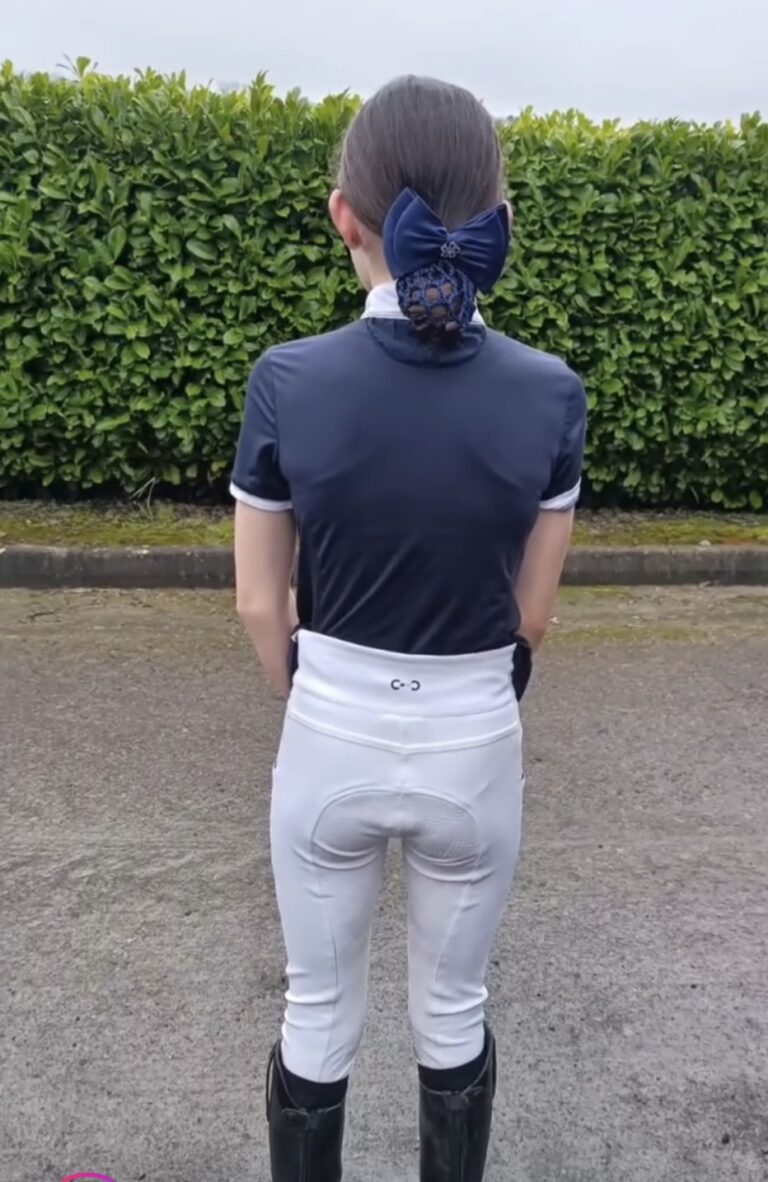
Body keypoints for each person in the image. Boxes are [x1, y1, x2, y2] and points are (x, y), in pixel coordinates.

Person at [231, 75, 587, 1182]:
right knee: (454, 1007)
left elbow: (259, 602)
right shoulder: (552, 393)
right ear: (501, 220)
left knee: (317, 1009)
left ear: (345, 216)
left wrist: (320, 694)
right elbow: (533, 614)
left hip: (329, 729)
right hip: (473, 739)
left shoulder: (287, 380)